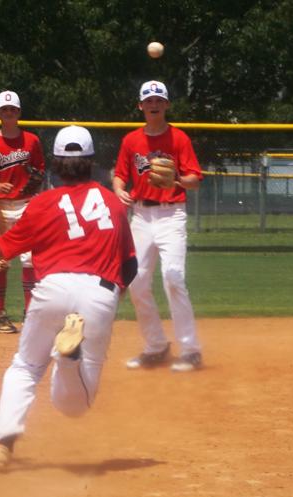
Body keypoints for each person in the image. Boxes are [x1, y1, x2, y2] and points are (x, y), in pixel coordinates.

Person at [0, 126, 137, 472]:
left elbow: (2, 248)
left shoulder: (42, 202)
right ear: (90, 163)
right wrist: (113, 298)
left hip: (51, 288)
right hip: (99, 292)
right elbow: (130, 265)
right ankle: (68, 359)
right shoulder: (111, 202)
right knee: (74, 406)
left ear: (55, 164)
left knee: (26, 367)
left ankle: (2, 445)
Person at [112, 80, 204, 372]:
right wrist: (118, 190)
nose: (153, 104)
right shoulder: (131, 141)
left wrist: (176, 180)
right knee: (136, 281)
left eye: (158, 100)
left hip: (171, 214)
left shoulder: (178, 139)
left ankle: (190, 350)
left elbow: (195, 181)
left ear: (166, 105)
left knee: (173, 278)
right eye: (148, 100)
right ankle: (156, 346)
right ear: (140, 106)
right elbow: (119, 176)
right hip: (140, 216)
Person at [0, 90, 46, 334]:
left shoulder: (31, 141)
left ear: (19, 113)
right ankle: (0, 315)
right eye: (4, 110)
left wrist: (35, 182)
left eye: (13, 109)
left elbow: (39, 170)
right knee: (0, 261)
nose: (9, 113)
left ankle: (30, 314)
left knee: (29, 260)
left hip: (27, 204)